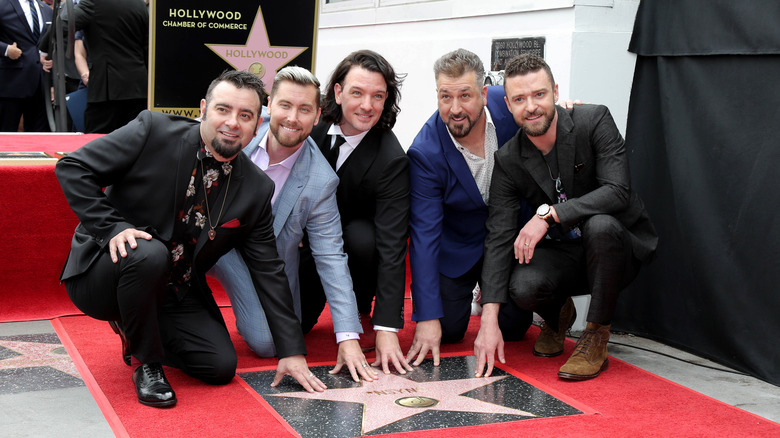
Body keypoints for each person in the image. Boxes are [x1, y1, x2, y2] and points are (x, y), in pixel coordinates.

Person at [55, 70, 326, 409]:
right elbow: (73, 168)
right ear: (203, 108)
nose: (232, 123)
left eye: (245, 115)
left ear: (258, 123)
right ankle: (146, 362)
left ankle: (136, 321)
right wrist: (112, 227)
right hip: (107, 272)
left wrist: (291, 351)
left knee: (219, 366)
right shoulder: (152, 131)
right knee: (149, 253)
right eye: (223, 110)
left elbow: (268, 269)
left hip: (175, 287)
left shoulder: (257, 189)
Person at [474, 54, 658, 380]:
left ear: (555, 92)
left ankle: (596, 335)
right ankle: (558, 315)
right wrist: (488, 320)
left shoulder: (593, 119)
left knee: (600, 225)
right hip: (567, 254)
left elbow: (618, 192)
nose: (531, 106)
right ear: (510, 105)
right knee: (522, 283)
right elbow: (499, 234)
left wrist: (549, 215)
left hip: (617, 249)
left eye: (539, 94)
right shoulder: (509, 159)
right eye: (520, 99)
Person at [210, 66, 378, 383]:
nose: (292, 118)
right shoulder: (237, 132)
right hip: (209, 240)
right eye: (285, 105)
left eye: (304, 110)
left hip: (267, 263)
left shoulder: (321, 180)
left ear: (317, 117)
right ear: (269, 104)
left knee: (270, 342)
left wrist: (347, 336)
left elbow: (331, 255)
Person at [405, 49, 534, 367]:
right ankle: (467, 297)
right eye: (445, 96)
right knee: (446, 330)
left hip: (509, 239)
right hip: (459, 246)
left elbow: (543, 111)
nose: (455, 108)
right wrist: (426, 316)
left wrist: (571, 110)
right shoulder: (424, 152)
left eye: (465, 95)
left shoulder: (510, 108)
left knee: (515, 328)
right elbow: (423, 235)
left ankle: (503, 298)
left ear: (485, 93)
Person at [304, 50, 412, 375]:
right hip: (306, 248)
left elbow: (394, 246)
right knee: (292, 327)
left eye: (378, 96)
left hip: (355, 252)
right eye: (357, 93)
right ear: (337, 92)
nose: (367, 105)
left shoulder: (391, 158)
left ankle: (359, 307)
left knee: (364, 237)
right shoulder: (312, 125)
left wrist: (387, 326)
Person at [65, 0, 148, 133]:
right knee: (133, 142)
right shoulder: (139, 5)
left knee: (96, 143)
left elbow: (63, 24)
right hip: (138, 89)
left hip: (107, 90)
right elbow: (147, 48)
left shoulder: (93, 3)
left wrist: (44, 49)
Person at [0, 0, 52, 132]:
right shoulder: (3, 4)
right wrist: (6, 50)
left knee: (38, 138)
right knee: (6, 135)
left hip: (40, 84)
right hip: (10, 83)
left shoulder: (46, 9)